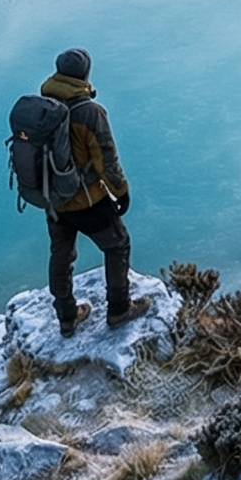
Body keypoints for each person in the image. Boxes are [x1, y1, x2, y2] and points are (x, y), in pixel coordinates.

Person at [37, 47, 148, 335]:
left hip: (54, 199)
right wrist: (120, 191)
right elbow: (106, 158)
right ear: (84, 75)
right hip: (87, 200)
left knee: (61, 253)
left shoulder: (42, 105)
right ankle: (120, 309)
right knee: (117, 244)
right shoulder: (89, 112)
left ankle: (66, 315)